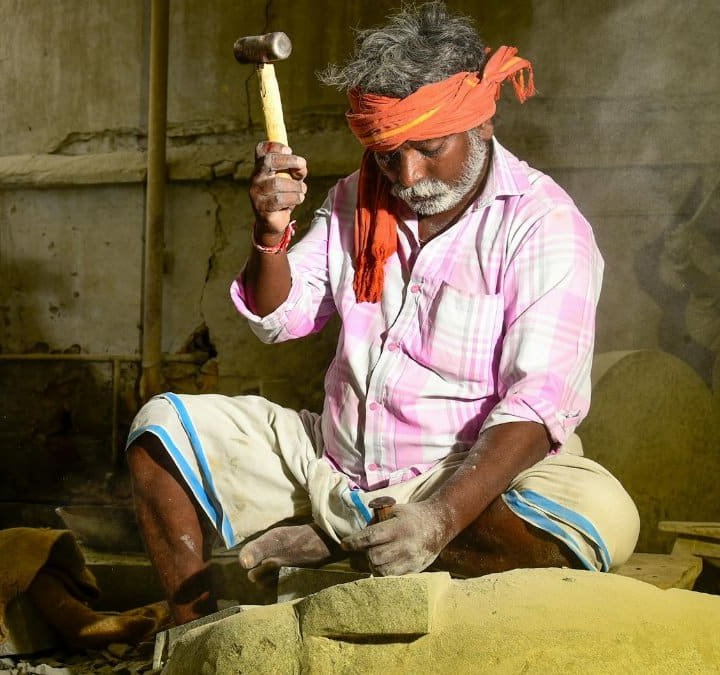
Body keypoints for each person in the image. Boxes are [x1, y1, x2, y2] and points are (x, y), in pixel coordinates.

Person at [126, 2, 640, 625]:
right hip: (335, 464)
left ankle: (346, 536)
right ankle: (194, 642)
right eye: (388, 152)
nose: (407, 175)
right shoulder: (358, 196)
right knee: (160, 433)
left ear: (479, 123)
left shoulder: (543, 225)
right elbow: (279, 316)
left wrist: (440, 517)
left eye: (429, 149)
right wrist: (270, 231)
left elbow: (536, 409)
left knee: (601, 516)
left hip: (461, 478)